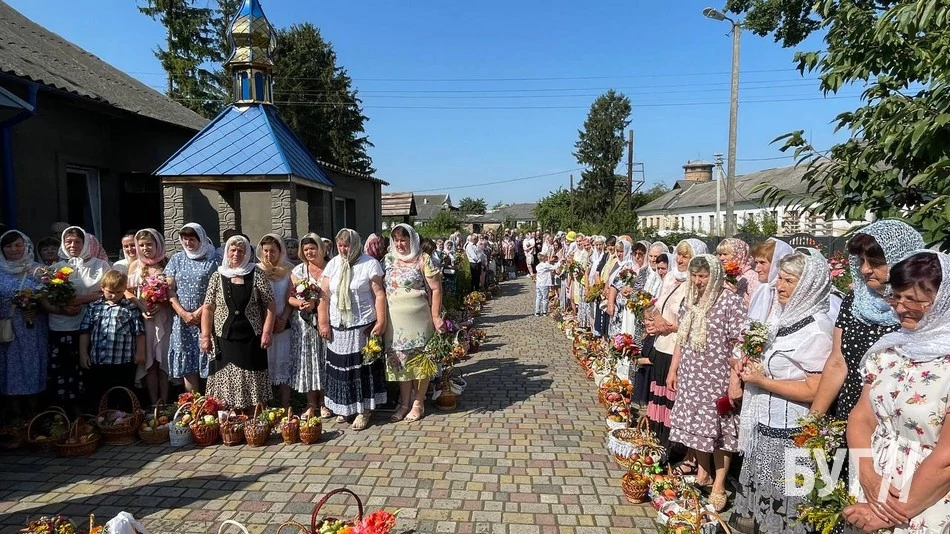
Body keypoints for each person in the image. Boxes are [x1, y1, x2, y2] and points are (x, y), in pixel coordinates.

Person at [842, 251, 950, 533]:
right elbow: (861, 417)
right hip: (876, 484)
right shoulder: (890, 350)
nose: (900, 308)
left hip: (926, 500)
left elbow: (946, 457)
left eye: (913, 300)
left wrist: (893, 513)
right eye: (896, 297)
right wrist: (867, 476)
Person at [732, 252, 834, 533]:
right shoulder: (783, 317)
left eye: (789, 280)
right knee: (765, 503)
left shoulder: (817, 329)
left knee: (790, 508)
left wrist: (763, 382)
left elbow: (816, 389)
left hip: (793, 433)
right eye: (780, 279)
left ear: (808, 286)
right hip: (766, 425)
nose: (780, 285)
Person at [811, 221, 924, 427]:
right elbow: (838, 362)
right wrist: (812, 422)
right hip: (848, 414)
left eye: (875, 262)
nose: (865, 269)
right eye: (861, 261)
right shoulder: (856, 301)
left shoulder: (920, 309)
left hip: (895, 423)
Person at [668, 254, 746, 512]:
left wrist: (735, 378)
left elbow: (740, 342)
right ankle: (704, 474)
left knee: (720, 432)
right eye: (695, 275)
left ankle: (719, 484)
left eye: (703, 276)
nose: (698, 281)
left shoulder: (729, 302)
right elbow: (681, 336)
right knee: (696, 427)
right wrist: (674, 367)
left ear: (715, 277)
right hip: (692, 374)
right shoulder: (691, 299)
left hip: (716, 375)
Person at [318, 229, 387, 431]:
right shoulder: (333, 264)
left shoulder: (369, 264)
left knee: (359, 369)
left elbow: (379, 295)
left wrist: (381, 322)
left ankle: (363, 410)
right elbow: (324, 295)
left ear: (355, 244)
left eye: (346, 245)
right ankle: (345, 407)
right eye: (340, 245)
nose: (342, 249)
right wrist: (323, 322)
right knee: (340, 369)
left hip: (361, 325)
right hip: (338, 326)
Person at [200, 235, 276, 412]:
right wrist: (205, 336)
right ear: (227, 252)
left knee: (252, 377)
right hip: (223, 337)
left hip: (251, 337)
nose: (236, 254)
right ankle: (228, 416)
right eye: (232, 250)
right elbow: (208, 308)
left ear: (247, 253)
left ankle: (254, 417)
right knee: (225, 376)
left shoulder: (256, 274)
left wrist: (267, 332)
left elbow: (270, 304)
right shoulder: (217, 276)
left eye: (240, 250)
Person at [645, 239, 707, 449]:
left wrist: (668, 326)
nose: (680, 260)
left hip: (677, 348)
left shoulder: (696, 285)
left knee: (672, 397)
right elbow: (658, 303)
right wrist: (652, 317)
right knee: (659, 393)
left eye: (686, 256)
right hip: (661, 344)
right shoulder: (671, 277)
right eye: (679, 254)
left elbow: (693, 321)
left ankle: (671, 447)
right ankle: (655, 439)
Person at [383, 224, 444, 423]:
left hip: (419, 321)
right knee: (401, 363)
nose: (400, 244)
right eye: (396, 240)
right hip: (395, 322)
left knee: (420, 362)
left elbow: (436, 289)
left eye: (404, 239)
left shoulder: (423, 259)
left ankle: (418, 402)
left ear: (412, 239)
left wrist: (436, 316)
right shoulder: (388, 260)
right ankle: (404, 404)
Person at [47, 226, 110, 411]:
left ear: (85, 243)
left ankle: (91, 413)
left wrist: (81, 299)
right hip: (62, 326)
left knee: (89, 369)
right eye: (68, 241)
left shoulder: (100, 265)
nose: (72, 245)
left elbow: (108, 291)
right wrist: (63, 307)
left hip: (93, 326)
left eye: (77, 241)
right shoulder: (57, 267)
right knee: (63, 371)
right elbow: (47, 297)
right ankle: (66, 414)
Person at [79, 270, 145, 410]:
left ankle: (124, 423)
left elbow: (139, 332)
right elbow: (85, 331)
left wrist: (140, 352)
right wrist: (83, 353)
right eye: (110, 292)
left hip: (122, 360)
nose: (114, 295)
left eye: (119, 292)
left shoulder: (130, 308)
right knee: (100, 393)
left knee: (123, 392)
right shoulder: (94, 306)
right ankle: (103, 421)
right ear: (102, 287)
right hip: (99, 360)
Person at [165, 223, 219, 393]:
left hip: (207, 317)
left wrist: (199, 312)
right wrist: (183, 313)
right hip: (182, 320)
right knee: (187, 362)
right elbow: (169, 289)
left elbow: (219, 290)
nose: (188, 242)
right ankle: (194, 406)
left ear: (201, 239)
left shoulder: (214, 260)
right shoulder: (177, 259)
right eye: (185, 239)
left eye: (192, 239)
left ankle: (211, 406)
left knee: (209, 359)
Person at [0, 230, 48, 419]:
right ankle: (14, 417)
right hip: (7, 330)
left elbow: (51, 298)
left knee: (32, 367)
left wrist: (38, 307)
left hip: (32, 329)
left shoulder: (38, 270)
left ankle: (35, 415)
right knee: (9, 369)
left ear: (26, 246)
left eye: (18, 245)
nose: (14, 249)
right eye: (9, 246)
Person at [126, 228, 171, 407]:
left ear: (157, 245)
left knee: (163, 362)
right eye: (142, 245)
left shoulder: (167, 263)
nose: (145, 248)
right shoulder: (135, 266)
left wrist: (161, 304)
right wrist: (140, 304)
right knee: (150, 363)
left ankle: (166, 403)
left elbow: (174, 293)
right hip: (145, 320)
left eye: (149, 244)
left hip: (164, 318)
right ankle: (154, 404)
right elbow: (127, 291)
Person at [290, 234, 330, 418]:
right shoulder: (298, 271)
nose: (309, 252)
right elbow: (289, 297)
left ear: (320, 248)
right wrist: (301, 304)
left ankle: (325, 402)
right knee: (309, 362)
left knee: (325, 360)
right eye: (305, 250)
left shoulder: (332, 267)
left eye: (312, 248)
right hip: (304, 325)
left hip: (328, 320)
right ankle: (311, 404)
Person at [257, 234, 294, 409]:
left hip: (282, 323)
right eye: (266, 251)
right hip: (262, 325)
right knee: (264, 364)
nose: (269, 255)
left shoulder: (288, 270)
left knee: (282, 361)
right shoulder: (255, 270)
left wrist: (284, 317)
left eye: (273, 251)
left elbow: (291, 296)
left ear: (280, 251)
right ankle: (265, 406)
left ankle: (286, 404)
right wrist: (266, 323)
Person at [747, 238, 795, 322]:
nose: (757, 269)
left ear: (776, 263)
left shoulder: (790, 290)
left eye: (762, 263)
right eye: (756, 263)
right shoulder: (762, 288)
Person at [716, 237, 759, 305]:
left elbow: (755, 306)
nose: (721, 258)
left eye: (725, 254)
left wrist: (737, 293)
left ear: (738, 254)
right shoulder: (725, 275)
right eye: (720, 254)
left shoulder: (752, 277)